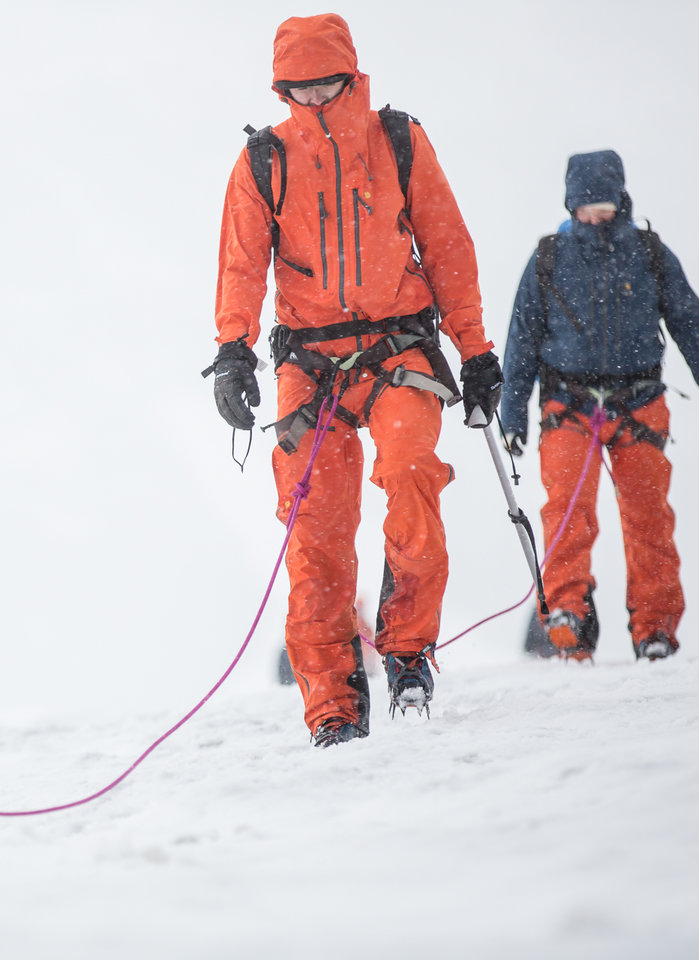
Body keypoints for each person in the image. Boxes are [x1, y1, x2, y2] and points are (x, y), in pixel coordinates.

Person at [206, 14, 501, 748]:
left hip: (400, 349)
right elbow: (242, 264)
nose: (312, 95)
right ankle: (332, 706)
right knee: (316, 535)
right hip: (309, 368)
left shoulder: (399, 141)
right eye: (297, 86)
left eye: (324, 82)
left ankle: (406, 656)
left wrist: (475, 350)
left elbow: (447, 247)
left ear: (350, 74)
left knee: (409, 476)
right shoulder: (263, 162)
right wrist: (233, 351)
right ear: (281, 86)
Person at [500, 150, 699, 663]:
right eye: (586, 207)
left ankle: (655, 629)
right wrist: (511, 415)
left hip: (640, 404)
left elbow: (689, 320)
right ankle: (566, 617)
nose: (595, 215)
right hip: (567, 405)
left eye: (604, 205)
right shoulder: (548, 258)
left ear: (621, 200)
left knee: (649, 519)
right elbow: (521, 342)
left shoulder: (650, 253)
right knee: (567, 511)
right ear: (570, 205)